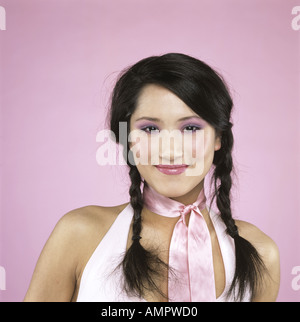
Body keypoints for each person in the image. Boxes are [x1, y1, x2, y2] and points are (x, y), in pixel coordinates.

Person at [24, 53, 280, 302]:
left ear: (218, 138)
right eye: (150, 129)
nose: (169, 150)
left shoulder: (259, 252)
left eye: (191, 127)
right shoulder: (78, 234)